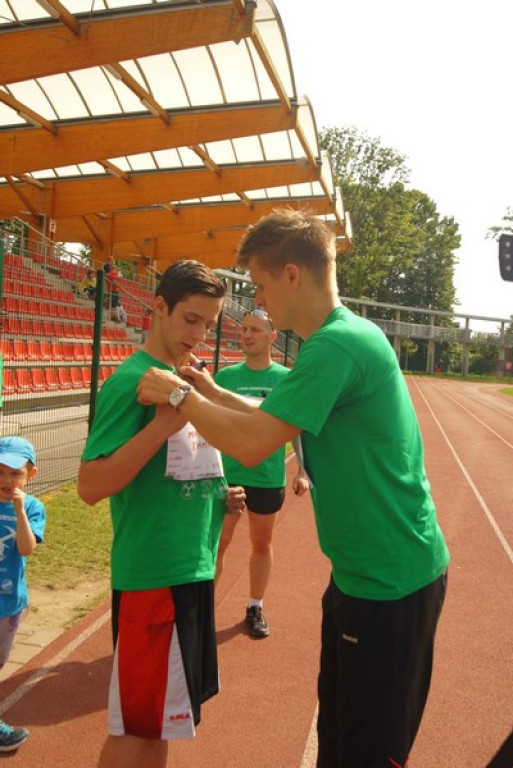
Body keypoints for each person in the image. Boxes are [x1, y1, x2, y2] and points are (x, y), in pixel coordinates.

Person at [136, 209, 450, 768]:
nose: (256, 301)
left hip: (389, 586)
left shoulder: (335, 346)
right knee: (341, 737)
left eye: (258, 285)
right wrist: (212, 391)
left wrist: (182, 397)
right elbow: (272, 412)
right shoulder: (342, 338)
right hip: (364, 577)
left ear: (291, 275)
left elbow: (256, 443)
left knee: (365, 752)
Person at [77, 260, 246, 768]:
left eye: (209, 325)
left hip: (187, 570)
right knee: (136, 731)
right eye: (191, 320)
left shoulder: (183, 380)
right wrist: (160, 427)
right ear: (158, 307)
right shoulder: (133, 381)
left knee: (165, 724)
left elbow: (179, 469)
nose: (199, 335)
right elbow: (91, 485)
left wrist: (219, 498)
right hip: (155, 576)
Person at [214, 307, 309, 637]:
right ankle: (203, 611)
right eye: (244, 329)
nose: (247, 334)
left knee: (261, 544)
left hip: (267, 477)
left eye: (255, 330)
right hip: (229, 475)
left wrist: (301, 470)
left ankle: (255, 606)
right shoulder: (225, 378)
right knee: (219, 542)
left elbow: (296, 427)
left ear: (272, 337)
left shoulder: (285, 379)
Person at [0, 437, 46, 752]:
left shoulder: (32, 507)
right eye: (0, 472)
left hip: (9, 603)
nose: (6, 480)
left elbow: (26, 547)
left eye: (14, 473)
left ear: (31, 474)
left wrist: (19, 510)